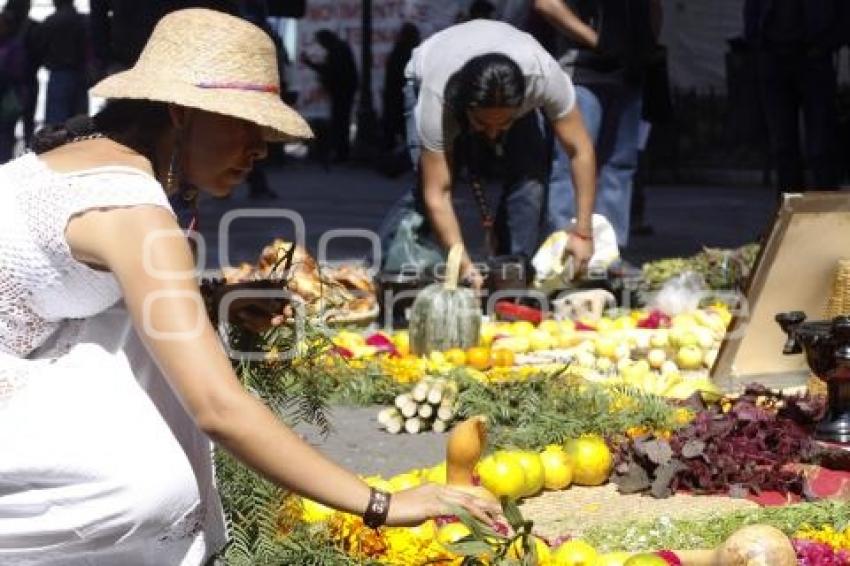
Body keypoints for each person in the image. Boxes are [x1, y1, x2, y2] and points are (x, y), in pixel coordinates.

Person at [0, 9, 498, 565]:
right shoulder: (132, 208)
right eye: (245, 125)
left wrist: (210, 302)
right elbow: (219, 407)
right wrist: (381, 502)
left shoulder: (81, 153)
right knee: (167, 468)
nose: (261, 149)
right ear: (180, 114)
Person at [380, 19, 596, 288]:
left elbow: (580, 151)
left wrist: (583, 233)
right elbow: (438, 193)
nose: (493, 135)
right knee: (425, 190)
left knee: (530, 178)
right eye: (483, 124)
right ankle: (388, 272)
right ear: (465, 108)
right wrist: (465, 267)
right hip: (434, 68)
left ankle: (512, 274)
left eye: (503, 123)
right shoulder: (437, 98)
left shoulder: (544, 79)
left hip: (516, 77)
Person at [531, 0, 659, 248]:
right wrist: (597, 41)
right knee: (573, 161)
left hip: (628, 72)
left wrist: (646, 44)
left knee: (619, 167)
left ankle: (608, 252)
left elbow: (654, 6)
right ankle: (563, 248)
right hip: (582, 73)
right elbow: (546, 4)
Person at [743, 0, 843, 194]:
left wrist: (828, 42)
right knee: (783, 146)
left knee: (820, 144)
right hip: (774, 56)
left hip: (812, 57)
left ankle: (826, 206)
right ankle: (791, 208)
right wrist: (757, 40)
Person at [301, 29, 359, 163]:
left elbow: (331, 71)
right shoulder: (340, 48)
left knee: (340, 122)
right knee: (341, 122)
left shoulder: (337, 51)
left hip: (341, 92)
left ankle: (341, 153)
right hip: (344, 91)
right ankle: (341, 152)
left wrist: (310, 64)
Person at [33, 0, 89, 125]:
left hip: (58, 74)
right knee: (80, 123)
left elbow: (39, 48)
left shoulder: (50, 22)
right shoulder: (82, 21)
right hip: (80, 73)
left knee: (56, 122)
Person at [382, 22, 420, 151]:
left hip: (396, 95)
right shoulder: (411, 51)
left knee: (394, 127)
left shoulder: (399, 51)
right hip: (404, 95)